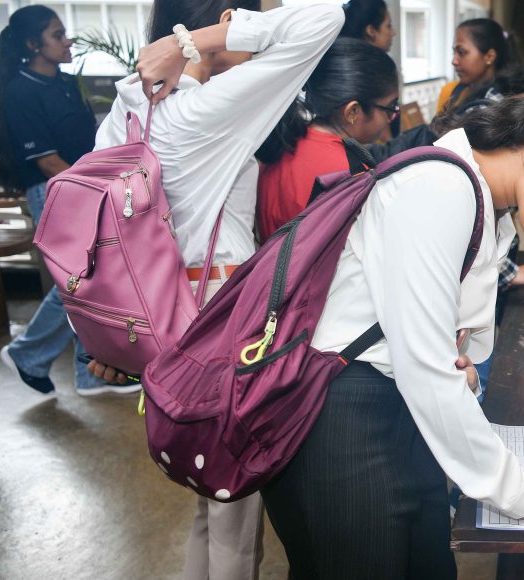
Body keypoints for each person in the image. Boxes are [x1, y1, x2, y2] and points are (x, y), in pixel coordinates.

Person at [260, 75, 524, 578]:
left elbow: (444, 350)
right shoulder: (439, 188)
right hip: (342, 418)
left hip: (395, 408)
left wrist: (461, 369)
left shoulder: (485, 200)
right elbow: (424, 366)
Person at [93, 2, 344, 579]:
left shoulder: (126, 107)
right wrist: (196, 43)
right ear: (228, 17)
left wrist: (102, 338)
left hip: (151, 315)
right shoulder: (205, 109)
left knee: (210, 502)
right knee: (234, 504)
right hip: (217, 315)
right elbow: (324, 18)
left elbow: (100, 231)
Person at [0, 5, 110, 395]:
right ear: (33, 44)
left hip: (81, 187)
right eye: (57, 35)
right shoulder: (20, 91)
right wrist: (93, 189)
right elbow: (46, 161)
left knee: (88, 280)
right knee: (78, 281)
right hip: (55, 190)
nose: (67, 40)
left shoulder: (64, 82)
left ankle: (88, 373)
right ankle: (28, 353)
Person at [255, 37, 399, 240]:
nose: (393, 117)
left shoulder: (281, 143)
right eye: (390, 108)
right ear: (352, 112)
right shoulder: (352, 176)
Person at [436, 18, 516, 117]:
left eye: (461, 52)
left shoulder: (490, 105)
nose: (454, 61)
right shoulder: (461, 89)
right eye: (454, 53)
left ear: (489, 57)